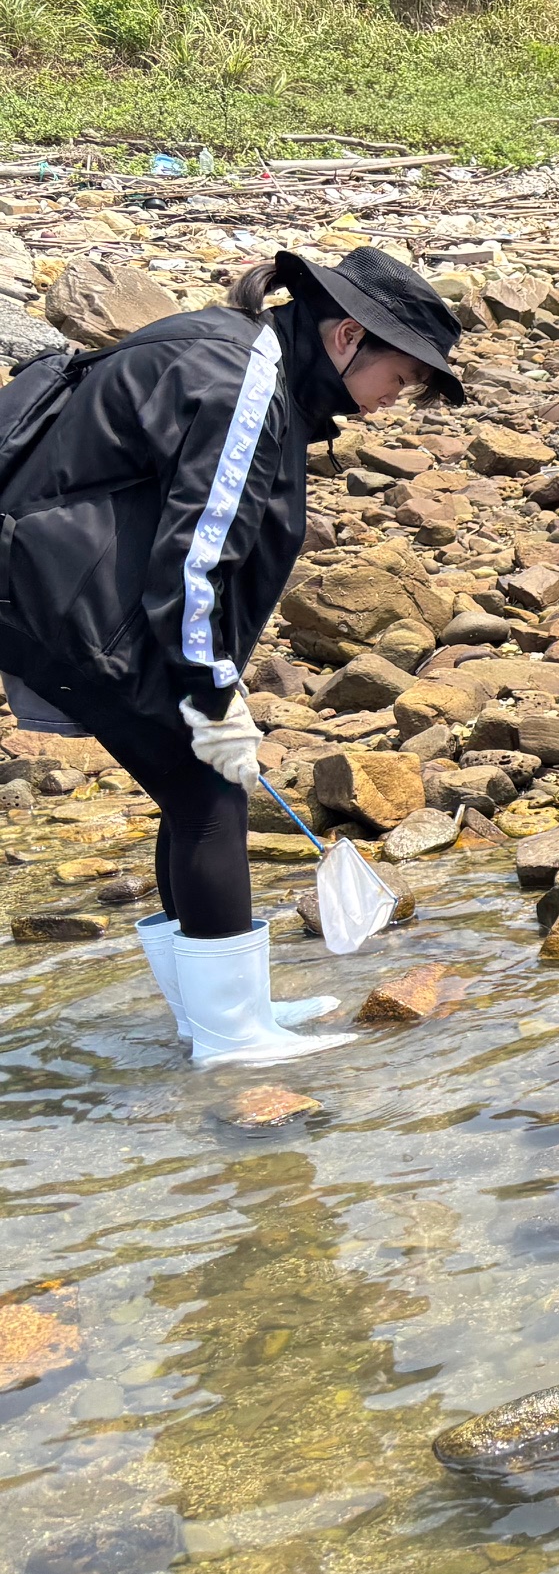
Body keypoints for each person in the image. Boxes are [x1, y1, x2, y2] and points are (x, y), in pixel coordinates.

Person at [0, 248, 461, 1068]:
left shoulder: (250, 355)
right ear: (347, 337)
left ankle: (211, 1016)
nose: (400, 397)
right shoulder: (243, 380)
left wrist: (208, 686)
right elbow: (197, 555)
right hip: (54, 598)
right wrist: (212, 693)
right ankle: (230, 1036)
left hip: (58, 582)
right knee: (209, 790)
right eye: (402, 375)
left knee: (189, 789)